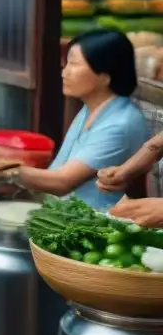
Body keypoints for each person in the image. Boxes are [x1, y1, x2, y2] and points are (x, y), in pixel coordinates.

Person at [11, 30, 148, 211]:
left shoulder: (120, 124)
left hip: (97, 227)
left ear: (105, 75)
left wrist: (6, 172)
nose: (64, 73)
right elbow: (57, 171)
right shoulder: (91, 107)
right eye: (65, 64)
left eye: (73, 64)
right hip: (64, 215)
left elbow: (62, 182)